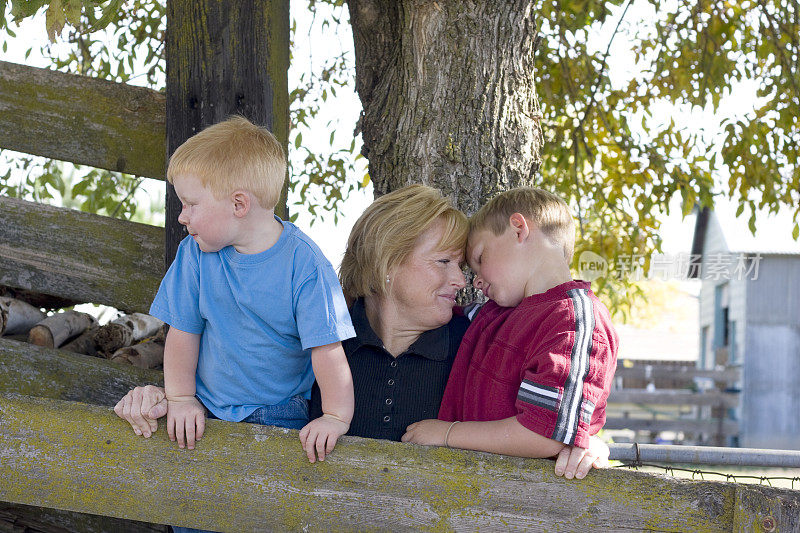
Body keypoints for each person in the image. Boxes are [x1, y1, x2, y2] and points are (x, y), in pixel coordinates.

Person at [116, 185, 608, 480]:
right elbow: (241, 391)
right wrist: (161, 399)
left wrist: (583, 441)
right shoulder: (318, 340)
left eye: (464, 265)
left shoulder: (474, 345)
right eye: (444, 262)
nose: (462, 281)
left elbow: (547, 411)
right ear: (388, 263)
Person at [137, 116, 356, 466]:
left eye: (191, 204)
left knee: (265, 504)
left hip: (279, 411)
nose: (182, 216)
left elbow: (327, 350)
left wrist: (334, 416)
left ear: (239, 205)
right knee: (187, 489)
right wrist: (180, 397)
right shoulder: (195, 255)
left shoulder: (306, 264)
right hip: (205, 404)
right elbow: (183, 332)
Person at [403, 187, 618, 473]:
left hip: (523, 503)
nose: (475, 282)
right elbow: (431, 314)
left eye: (480, 259)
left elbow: (544, 432)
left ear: (518, 229)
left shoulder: (574, 320)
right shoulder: (494, 315)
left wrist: (446, 434)